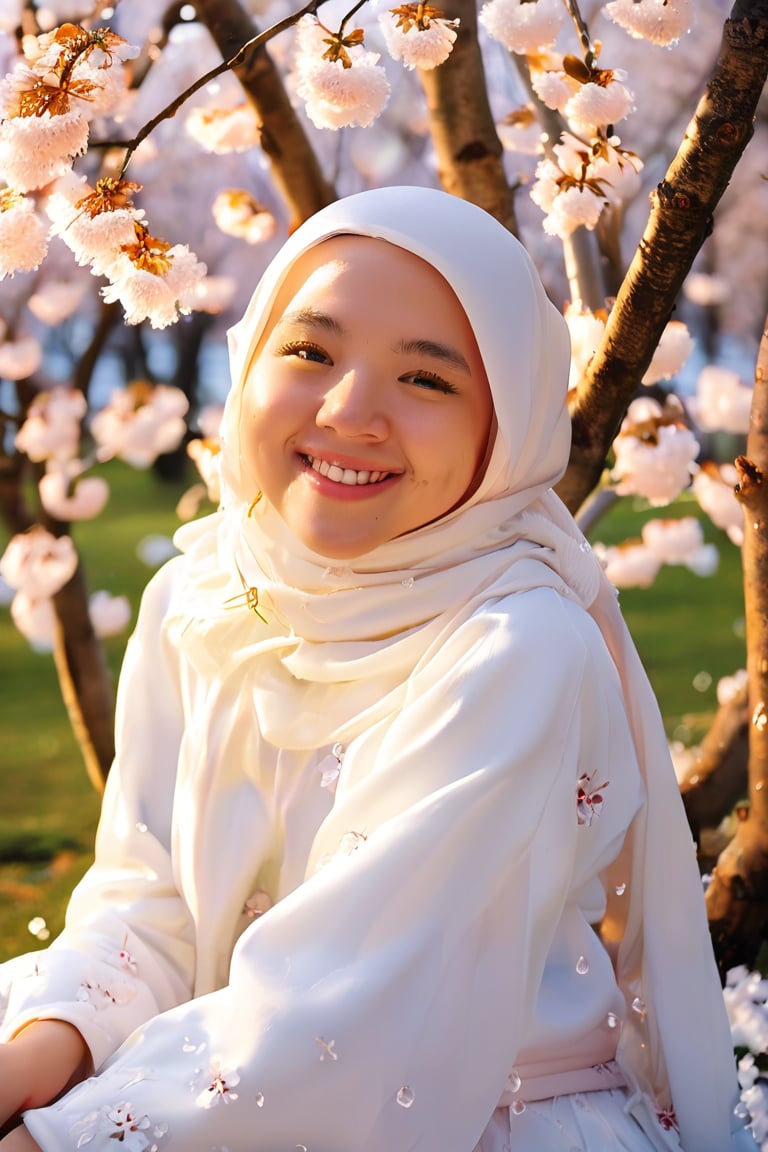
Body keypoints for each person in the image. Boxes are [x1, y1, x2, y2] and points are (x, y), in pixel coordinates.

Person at [0, 186, 754, 1152]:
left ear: (507, 428)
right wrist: (47, 1047)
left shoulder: (518, 646)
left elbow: (342, 1000)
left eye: (429, 382)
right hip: (215, 1087)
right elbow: (146, 901)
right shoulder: (203, 597)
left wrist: (63, 1141)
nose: (350, 411)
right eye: (310, 351)